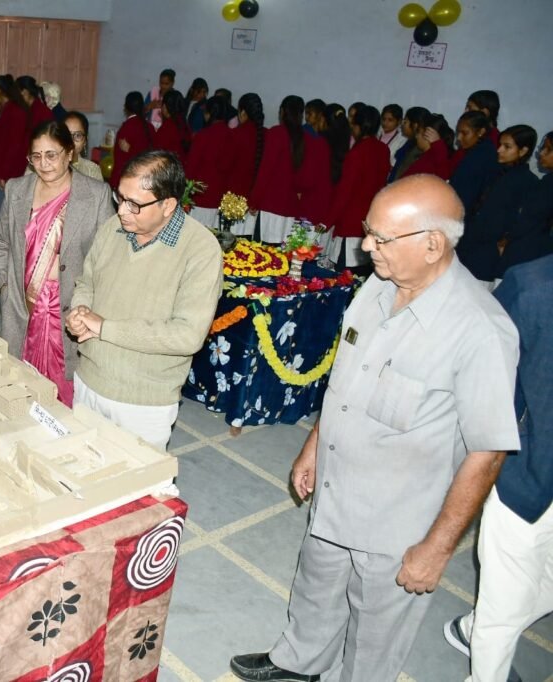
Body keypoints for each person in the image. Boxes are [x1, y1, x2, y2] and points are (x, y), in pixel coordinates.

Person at [229, 174, 520, 682]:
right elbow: (347, 381)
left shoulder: (480, 330)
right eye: (369, 231)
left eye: (381, 238)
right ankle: (299, 664)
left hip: (396, 524)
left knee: (375, 635)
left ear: (432, 245)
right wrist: (313, 445)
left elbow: (487, 452)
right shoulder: (378, 287)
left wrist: (437, 548)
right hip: (337, 488)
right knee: (317, 584)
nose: (365, 246)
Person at [443, 254, 553, 682]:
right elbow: (484, 371)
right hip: (528, 479)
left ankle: (473, 629)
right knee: (502, 610)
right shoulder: (534, 285)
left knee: (535, 592)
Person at [67, 151, 223, 450]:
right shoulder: (112, 228)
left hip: (143, 402)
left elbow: (187, 335)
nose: (122, 210)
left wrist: (104, 328)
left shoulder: (200, 250)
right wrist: (80, 310)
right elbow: (86, 282)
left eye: (134, 204)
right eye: (120, 198)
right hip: (90, 380)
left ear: (168, 205)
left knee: (137, 478)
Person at [0, 121, 114, 406]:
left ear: (69, 153)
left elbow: (107, 255)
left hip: (69, 305)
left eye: (51, 155)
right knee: (22, 379)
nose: (43, 164)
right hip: (24, 303)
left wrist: (92, 302)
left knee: (65, 384)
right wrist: (5, 286)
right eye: (36, 156)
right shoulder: (16, 189)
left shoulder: (96, 194)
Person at [457, 125, 539, 285]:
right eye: (500, 145)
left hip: (488, 254)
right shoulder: (495, 171)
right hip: (468, 243)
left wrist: (502, 242)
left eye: (507, 147)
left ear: (523, 151)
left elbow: (519, 222)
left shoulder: (529, 183)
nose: (499, 150)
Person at [325, 105, 391, 270]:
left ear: (358, 126)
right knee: (361, 274)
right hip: (371, 221)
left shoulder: (356, 153)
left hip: (350, 223)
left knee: (344, 275)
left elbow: (344, 193)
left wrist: (327, 222)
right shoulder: (383, 149)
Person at [249, 95, 307, 243]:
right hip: (291, 209)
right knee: (281, 253)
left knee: (261, 252)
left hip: (270, 205)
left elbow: (265, 171)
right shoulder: (305, 138)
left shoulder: (276, 133)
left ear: (282, 112)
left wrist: (254, 201)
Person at [499, 130, 553, 275]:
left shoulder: (548, 185)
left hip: (528, 250)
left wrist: (505, 239)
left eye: (548, 150)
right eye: (542, 148)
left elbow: (528, 218)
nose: (541, 153)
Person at [0, 74, 31, 219]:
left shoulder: (14, 112)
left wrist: (4, 175)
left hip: (4, 173)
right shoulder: (7, 110)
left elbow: (13, 147)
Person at [220, 92, 264, 236]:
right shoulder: (265, 135)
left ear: (243, 112)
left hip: (233, 200)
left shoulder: (235, 134)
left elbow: (224, 166)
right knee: (246, 246)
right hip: (254, 203)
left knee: (228, 242)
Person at [184, 96, 233, 227]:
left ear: (208, 113)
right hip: (221, 199)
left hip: (200, 198)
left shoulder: (203, 135)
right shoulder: (232, 135)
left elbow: (191, 169)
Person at [448, 110, 499, 216]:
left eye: (464, 133)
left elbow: (464, 197)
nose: (459, 138)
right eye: (458, 132)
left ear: (481, 132)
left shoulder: (478, 158)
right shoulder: (484, 151)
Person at [109, 91, 156, 190]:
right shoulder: (150, 127)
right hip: (147, 179)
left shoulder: (127, 128)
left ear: (126, 107)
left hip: (129, 180)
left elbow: (120, 159)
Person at [405, 113, 454, 179]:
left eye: (418, 132)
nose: (416, 136)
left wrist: (438, 145)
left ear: (429, 134)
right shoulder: (430, 156)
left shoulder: (436, 159)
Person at [389, 106, 430, 182]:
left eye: (405, 122)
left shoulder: (418, 148)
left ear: (415, 125)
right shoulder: (409, 143)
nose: (402, 125)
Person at [153, 89, 191, 164]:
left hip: (169, 167)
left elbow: (156, 153)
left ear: (164, 106)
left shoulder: (167, 127)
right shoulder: (185, 124)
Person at [64, 111, 103, 181]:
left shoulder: (92, 170)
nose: (71, 140)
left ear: (85, 141)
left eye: (78, 135)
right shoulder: (50, 166)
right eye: (67, 134)